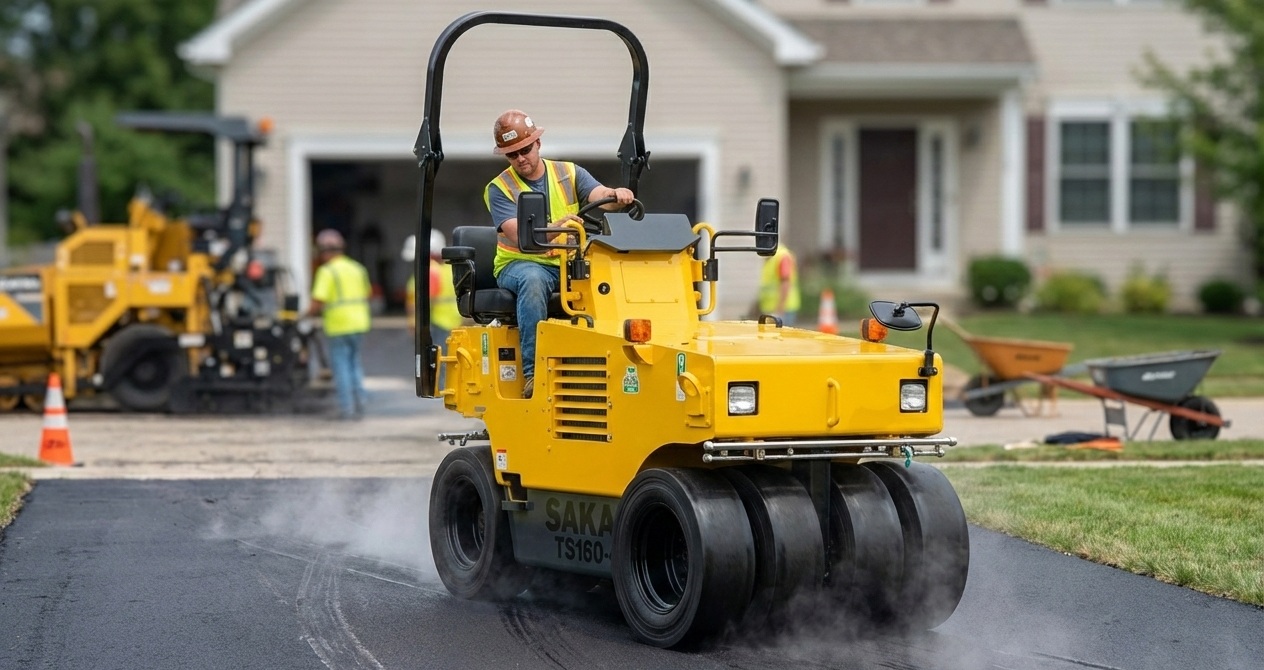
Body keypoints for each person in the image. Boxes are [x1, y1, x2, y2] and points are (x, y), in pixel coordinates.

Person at [484, 109, 634, 398]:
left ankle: (613, 369)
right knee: (533, 281)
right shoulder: (499, 188)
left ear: (538, 143)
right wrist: (559, 226)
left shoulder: (568, 173)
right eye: (512, 154)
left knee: (611, 278)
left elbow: (599, 195)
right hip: (520, 264)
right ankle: (533, 375)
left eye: (525, 149)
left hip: (566, 263)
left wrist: (617, 195)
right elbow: (522, 237)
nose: (521, 158)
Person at [307, 229, 372, 420]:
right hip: (359, 323)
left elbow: (318, 301)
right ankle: (361, 404)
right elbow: (367, 293)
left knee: (341, 367)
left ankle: (347, 409)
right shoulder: (357, 268)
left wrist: (304, 315)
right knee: (354, 364)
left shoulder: (327, 271)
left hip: (338, 325)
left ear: (324, 251)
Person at [403, 231, 461, 387]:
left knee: (438, 359)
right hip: (451, 320)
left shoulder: (429, 271)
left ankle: (441, 389)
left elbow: (425, 300)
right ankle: (446, 387)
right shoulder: (448, 269)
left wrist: (415, 322)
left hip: (438, 322)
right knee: (447, 358)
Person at [759, 244, 800, 326]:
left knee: (781, 337)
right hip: (772, 310)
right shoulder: (770, 257)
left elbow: (785, 282)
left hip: (783, 310)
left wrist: (779, 311)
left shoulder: (781, 256)